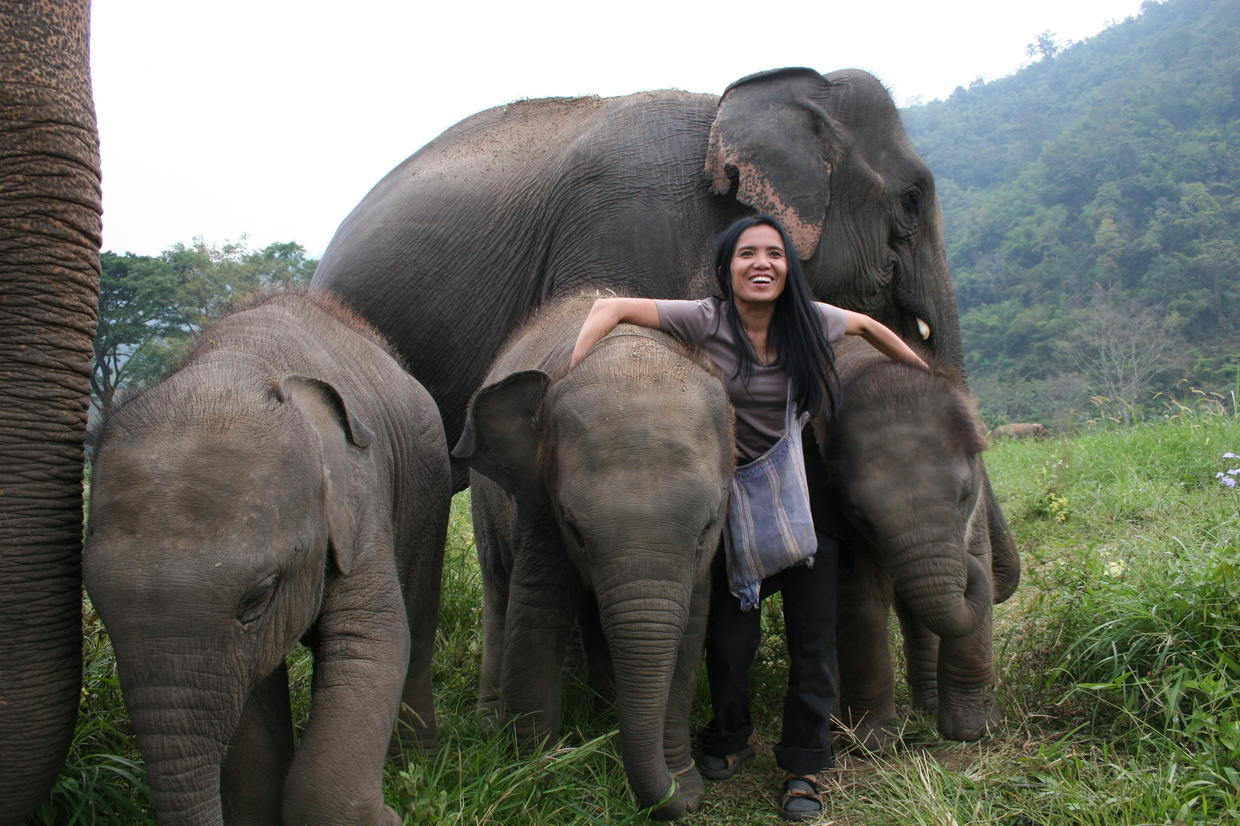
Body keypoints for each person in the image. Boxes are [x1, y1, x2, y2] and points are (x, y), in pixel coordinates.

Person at [570, 213, 928, 821]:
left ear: (789, 269)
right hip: (731, 491)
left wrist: (924, 378)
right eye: (747, 254)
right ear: (724, 270)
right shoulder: (703, 319)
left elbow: (869, 326)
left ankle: (804, 767)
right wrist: (569, 381)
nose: (761, 263)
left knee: (812, 636)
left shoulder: (810, 322)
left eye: (774, 254)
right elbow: (613, 310)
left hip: (800, 482)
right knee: (731, 636)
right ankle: (729, 737)